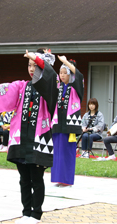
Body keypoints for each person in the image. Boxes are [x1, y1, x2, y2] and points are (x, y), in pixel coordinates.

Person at [0, 48, 58, 224]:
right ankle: (26, 213)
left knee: (37, 179)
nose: (32, 69)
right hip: (20, 138)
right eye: (29, 65)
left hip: (38, 140)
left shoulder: (50, 88)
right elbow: (5, 89)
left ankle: (36, 215)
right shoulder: (22, 86)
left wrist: (39, 59)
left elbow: (50, 76)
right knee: (24, 179)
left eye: (36, 65)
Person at [50, 55, 84, 187]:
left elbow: (79, 75)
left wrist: (65, 62)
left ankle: (66, 179)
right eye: (61, 73)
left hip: (70, 124)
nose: (62, 75)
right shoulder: (58, 87)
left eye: (65, 73)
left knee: (67, 152)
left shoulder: (76, 88)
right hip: (58, 123)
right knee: (57, 151)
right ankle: (57, 178)